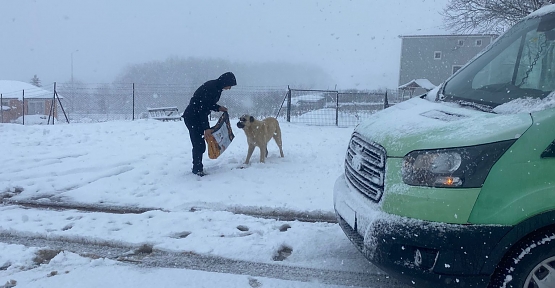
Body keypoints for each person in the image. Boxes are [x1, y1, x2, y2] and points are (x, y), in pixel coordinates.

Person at [182, 72, 237, 176]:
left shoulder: (217, 88)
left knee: (200, 143)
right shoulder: (211, 88)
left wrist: (218, 107)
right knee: (198, 144)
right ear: (226, 82)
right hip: (192, 117)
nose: (230, 88)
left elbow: (208, 104)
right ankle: (197, 169)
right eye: (230, 85)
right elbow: (202, 108)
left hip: (197, 116)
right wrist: (206, 128)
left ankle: (198, 167)